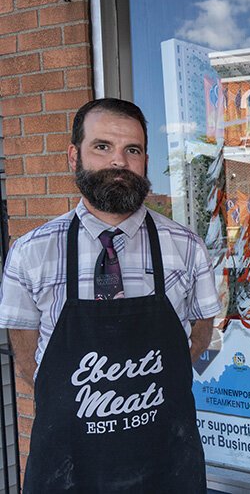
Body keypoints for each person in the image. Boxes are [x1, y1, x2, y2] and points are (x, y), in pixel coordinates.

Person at [0, 98, 221, 492]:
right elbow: (26, 354)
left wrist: (150, 383)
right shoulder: (31, 251)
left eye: (131, 150)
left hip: (167, 462)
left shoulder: (186, 247)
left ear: (144, 160)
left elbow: (200, 335)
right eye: (102, 147)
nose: (119, 161)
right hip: (68, 468)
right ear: (74, 156)